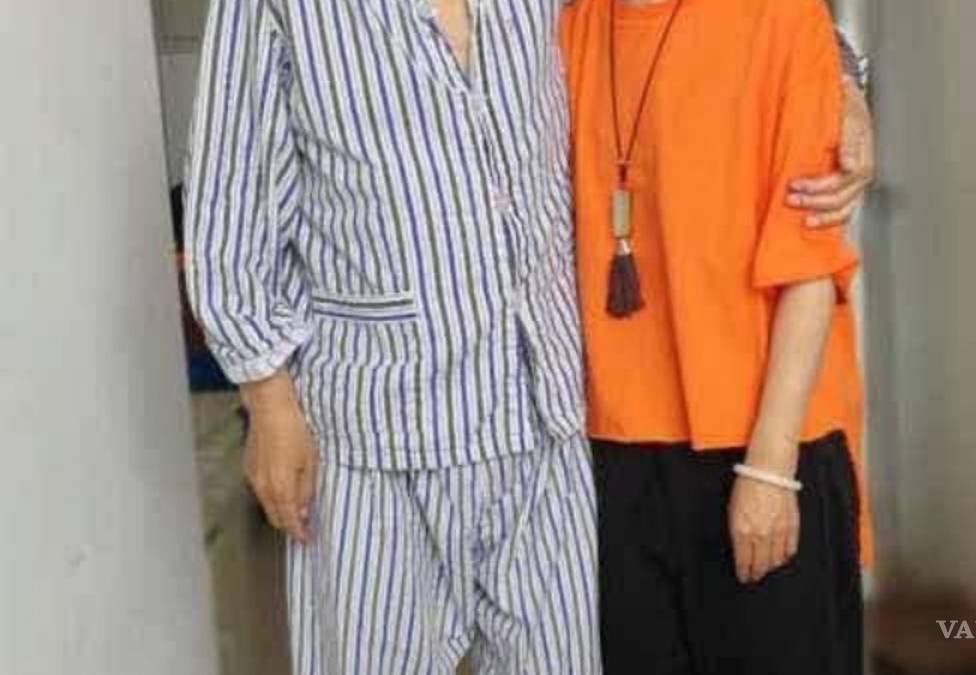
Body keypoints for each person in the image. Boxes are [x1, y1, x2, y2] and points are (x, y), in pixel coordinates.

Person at [184, 0, 871, 673]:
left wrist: (839, 77)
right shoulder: (278, 9)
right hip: (386, 431)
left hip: (548, 435)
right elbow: (228, 206)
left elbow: (733, 30)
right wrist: (267, 397)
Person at [562, 0, 867, 674]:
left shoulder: (779, 21)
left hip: (765, 449)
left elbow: (808, 265)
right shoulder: (566, 25)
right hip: (608, 458)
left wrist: (769, 469)